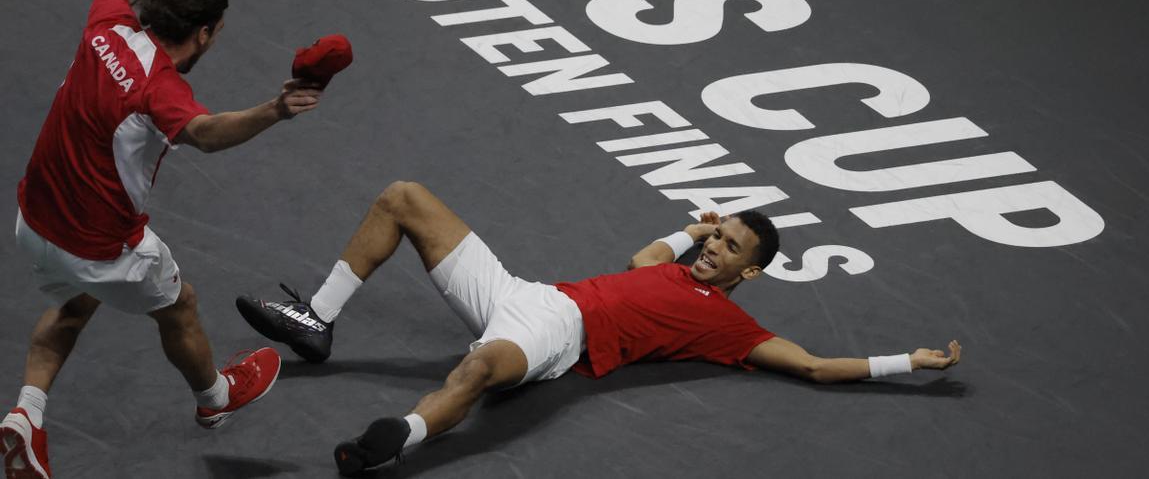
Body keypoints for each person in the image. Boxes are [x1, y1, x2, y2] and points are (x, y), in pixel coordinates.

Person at [235, 181, 963, 477]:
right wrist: (690, 228)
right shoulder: (680, 262)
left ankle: (399, 439)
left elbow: (810, 363)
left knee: (480, 369)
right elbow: (645, 256)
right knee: (404, 197)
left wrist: (906, 360)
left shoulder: (728, 322)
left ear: (752, 272)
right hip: (527, 291)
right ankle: (317, 318)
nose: (715, 248)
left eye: (730, 247)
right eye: (720, 235)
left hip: (560, 335)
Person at [0, 0, 326, 479]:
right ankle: (216, 401)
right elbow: (204, 134)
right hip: (101, 243)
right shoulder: (161, 89)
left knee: (74, 304)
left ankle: (24, 418)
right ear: (203, 33)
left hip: (33, 220)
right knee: (179, 303)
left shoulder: (110, 25)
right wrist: (274, 110)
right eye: (218, 30)